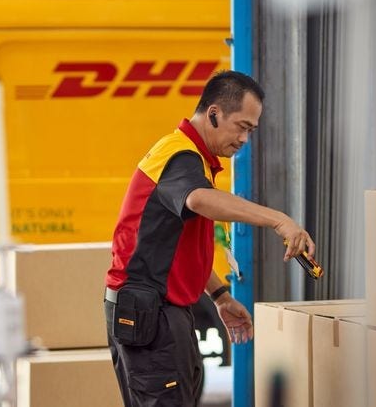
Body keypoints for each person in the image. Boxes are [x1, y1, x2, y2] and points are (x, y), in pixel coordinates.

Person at [104, 70, 317, 406]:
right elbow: (200, 200)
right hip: (151, 312)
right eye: (242, 127)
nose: (245, 139)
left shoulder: (193, 162)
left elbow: (176, 248)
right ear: (215, 113)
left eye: (251, 130)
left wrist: (219, 296)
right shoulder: (180, 156)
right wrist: (279, 221)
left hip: (158, 311)